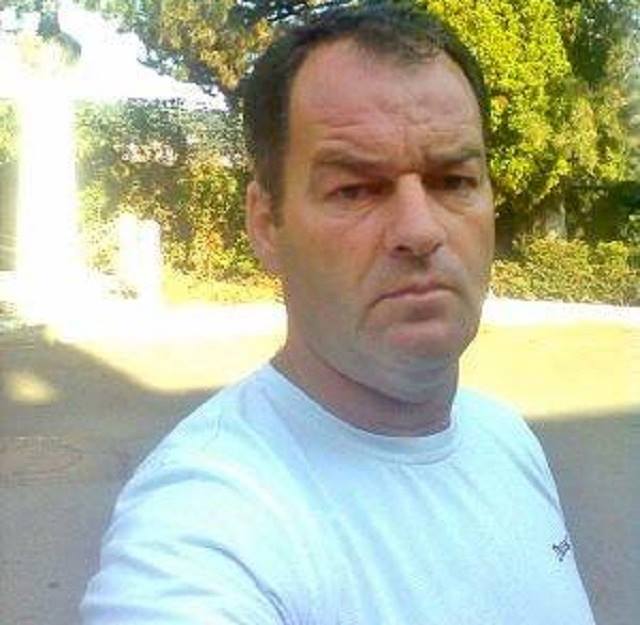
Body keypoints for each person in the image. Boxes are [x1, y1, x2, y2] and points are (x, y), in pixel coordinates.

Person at [81, 3, 596, 624]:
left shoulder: (506, 440)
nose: (420, 230)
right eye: (354, 189)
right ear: (266, 223)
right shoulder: (204, 527)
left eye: (454, 181)